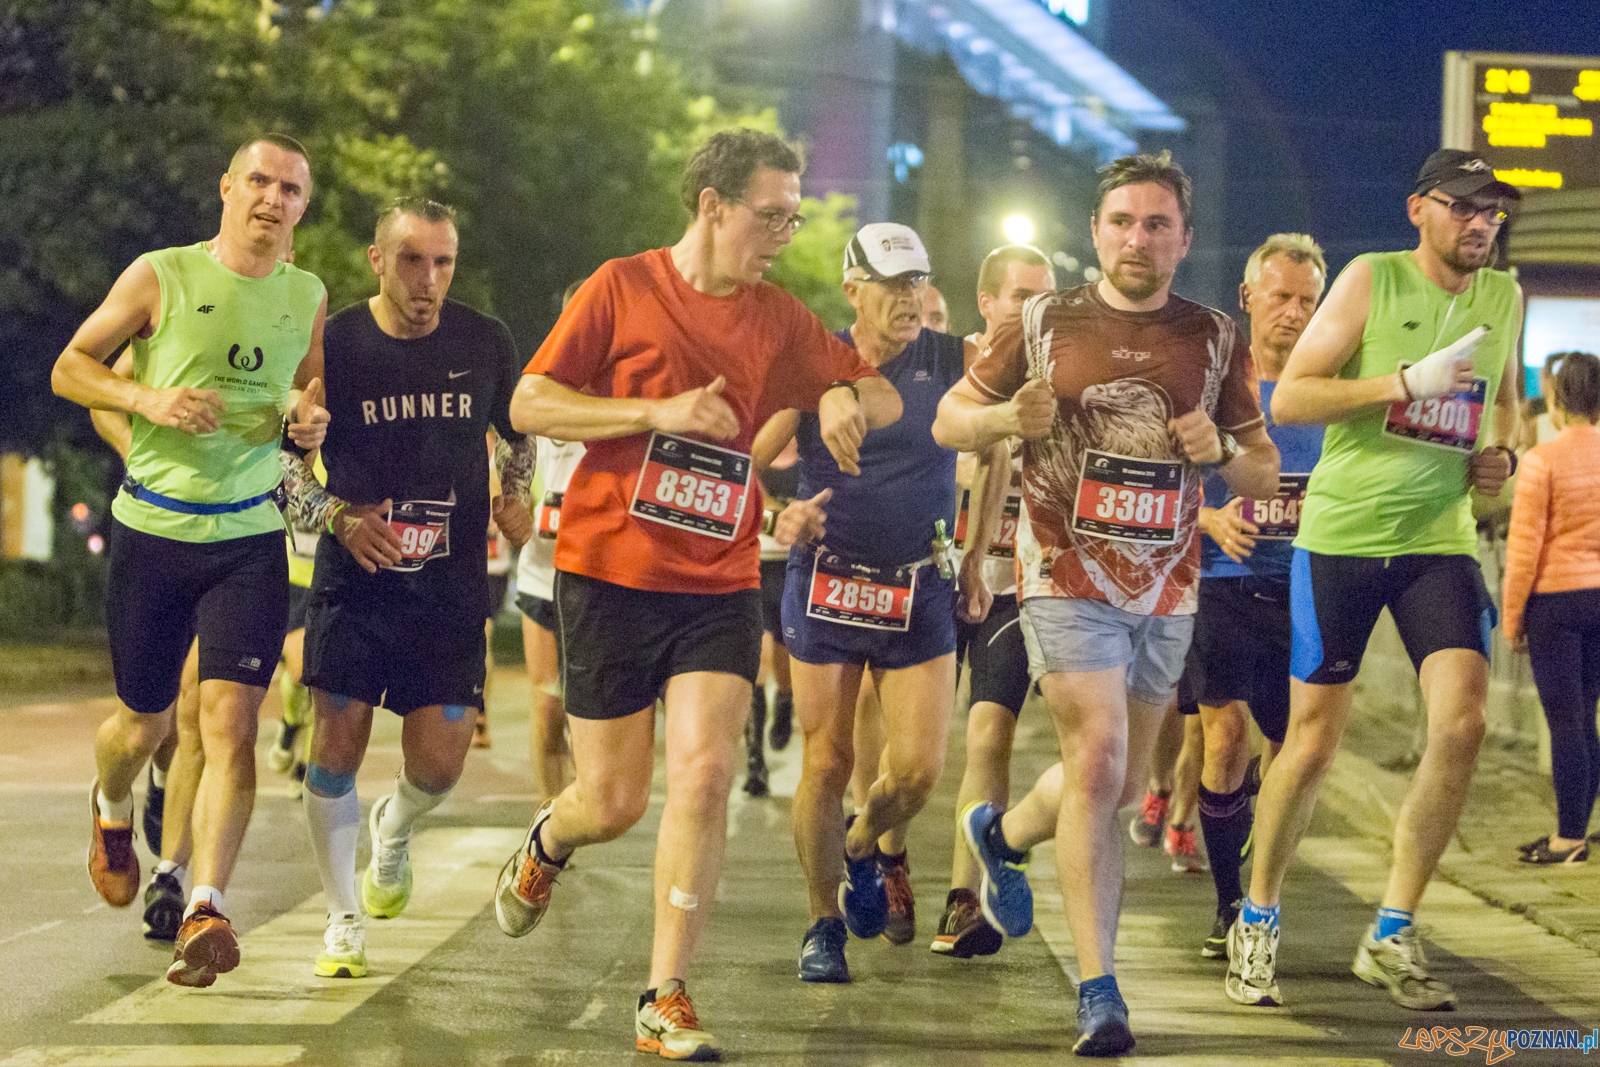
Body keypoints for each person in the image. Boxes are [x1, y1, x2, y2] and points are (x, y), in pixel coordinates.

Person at [492, 129, 901, 1061]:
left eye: (793, 219)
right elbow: (530, 403)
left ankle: (664, 993)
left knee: (709, 773)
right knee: (614, 799)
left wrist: (842, 398)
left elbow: (879, 398)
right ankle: (549, 843)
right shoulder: (622, 287)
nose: (782, 235)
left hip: (716, 582)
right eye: (770, 216)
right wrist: (653, 413)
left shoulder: (778, 317)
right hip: (607, 572)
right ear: (712, 207)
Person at [932, 151, 1278, 1056]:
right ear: (1096, 233)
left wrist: (1218, 452)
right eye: (1122, 221)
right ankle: (1100, 989)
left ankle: (1002, 836)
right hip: (1066, 572)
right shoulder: (1044, 320)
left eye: (1157, 224)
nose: (1138, 238)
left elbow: (1261, 465)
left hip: (1166, 582)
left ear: (1184, 239)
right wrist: (1009, 419)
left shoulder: (1212, 336)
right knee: (1097, 761)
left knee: (1122, 786)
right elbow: (950, 421)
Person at [1229, 149, 1522, 1011]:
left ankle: (1393, 928)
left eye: (1494, 212)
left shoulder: (1504, 297)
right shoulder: (1370, 280)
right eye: (1466, 208)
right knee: (1312, 742)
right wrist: (1401, 383)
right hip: (1344, 536)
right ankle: (1259, 914)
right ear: (1418, 209)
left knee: (1463, 722)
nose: (1481, 224)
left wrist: (1500, 454)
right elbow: (1289, 400)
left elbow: (1503, 401)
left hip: (1439, 536)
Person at [51, 134, 329, 987]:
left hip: (248, 536)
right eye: (258, 180)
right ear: (227, 187)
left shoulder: (307, 293)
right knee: (144, 725)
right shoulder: (160, 274)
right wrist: (148, 398)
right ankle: (109, 807)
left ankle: (205, 901)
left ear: (301, 208)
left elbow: (308, 396)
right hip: (155, 532)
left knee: (231, 724)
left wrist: (308, 425)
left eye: (289, 189)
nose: (272, 199)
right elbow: (71, 368)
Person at [292, 197, 534, 979]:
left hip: (449, 588)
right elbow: (280, 466)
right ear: (376, 259)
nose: (428, 279)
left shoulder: (485, 340)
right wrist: (337, 517)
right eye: (411, 260)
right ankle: (341, 919)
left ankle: (393, 829)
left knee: (440, 764)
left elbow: (519, 431)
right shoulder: (334, 346)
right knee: (334, 743)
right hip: (355, 583)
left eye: (443, 262)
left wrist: (516, 489)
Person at [757, 222, 965, 978]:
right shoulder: (813, 363)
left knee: (915, 772)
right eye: (892, 285)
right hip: (827, 580)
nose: (910, 299)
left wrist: (982, 552)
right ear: (854, 290)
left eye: (918, 283)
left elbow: (1000, 434)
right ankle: (822, 923)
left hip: (918, 585)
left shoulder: (949, 357)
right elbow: (741, 455)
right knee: (828, 758)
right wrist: (772, 517)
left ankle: (860, 846)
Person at [1183, 233, 1328, 957]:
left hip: (1302, 585)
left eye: (1307, 300)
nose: (1294, 313)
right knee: (1225, 736)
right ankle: (1228, 905)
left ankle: (1255, 859)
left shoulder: (1329, 390)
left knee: (1295, 747)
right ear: (1248, 298)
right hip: (1220, 580)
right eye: (1280, 297)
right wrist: (1206, 515)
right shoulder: (1213, 385)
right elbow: (1161, 471)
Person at [933, 243, 1054, 959]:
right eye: (1019, 296)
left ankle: (964, 899)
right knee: (907, 760)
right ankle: (879, 856)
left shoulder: (1059, 380)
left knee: (989, 736)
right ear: (987, 303)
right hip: (935, 577)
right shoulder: (953, 375)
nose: (1032, 310)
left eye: (1045, 297)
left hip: (1012, 587)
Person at [1503, 351, 1600, 864]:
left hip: (1556, 606)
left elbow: (1524, 551)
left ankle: (1568, 839)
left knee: (1565, 721)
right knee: (1587, 717)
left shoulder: (1543, 460)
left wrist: (1513, 618)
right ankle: (1580, 827)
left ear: (1558, 400)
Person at [515, 280, 589, 806]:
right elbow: (511, 470)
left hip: (597, 579)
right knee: (546, 709)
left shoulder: (625, 396)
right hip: (541, 570)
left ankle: (584, 810)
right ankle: (546, 823)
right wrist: (511, 506)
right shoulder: (537, 391)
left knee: (585, 712)